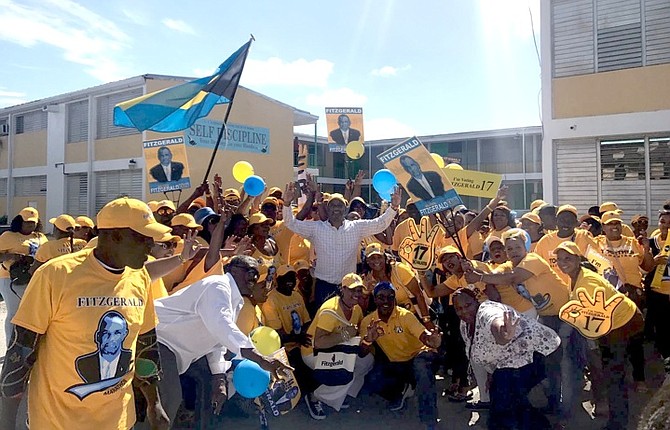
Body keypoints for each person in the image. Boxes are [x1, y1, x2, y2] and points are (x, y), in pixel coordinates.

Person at [0, 197, 183, 430]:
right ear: (115, 236)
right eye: (143, 238)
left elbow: (146, 342)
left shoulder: (140, 278)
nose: (151, 245)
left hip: (118, 422)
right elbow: (21, 350)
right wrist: (6, 424)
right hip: (57, 422)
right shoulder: (55, 275)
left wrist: (154, 404)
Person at [143, 256, 292, 429]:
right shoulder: (218, 286)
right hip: (160, 341)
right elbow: (222, 326)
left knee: (209, 382)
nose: (254, 278)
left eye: (256, 275)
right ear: (233, 270)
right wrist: (260, 359)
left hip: (179, 352)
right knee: (170, 398)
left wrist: (219, 378)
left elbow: (217, 342)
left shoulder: (235, 302)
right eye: (251, 272)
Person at [554, 241, 642, 430]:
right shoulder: (577, 275)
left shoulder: (587, 282)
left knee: (613, 375)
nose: (562, 263)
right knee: (611, 371)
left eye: (568, 258)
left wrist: (593, 343)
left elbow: (597, 322)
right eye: (559, 259)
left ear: (578, 259)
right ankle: (618, 416)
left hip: (623, 323)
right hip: (615, 323)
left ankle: (618, 423)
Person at [453, 288, 559, 430]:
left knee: (505, 404)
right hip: (509, 362)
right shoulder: (465, 325)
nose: (464, 311)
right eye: (459, 308)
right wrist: (491, 373)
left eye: (468, 305)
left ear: (476, 301)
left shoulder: (486, 311)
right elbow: (488, 351)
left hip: (536, 354)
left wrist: (503, 333)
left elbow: (495, 322)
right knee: (509, 403)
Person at [282, 182, 400, 309]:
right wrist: (287, 204)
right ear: (327, 208)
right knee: (325, 322)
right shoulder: (316, 228)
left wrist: (393, 207)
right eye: (332, 205)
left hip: (349, 287)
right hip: (324, 287)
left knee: (349, 323)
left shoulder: (356, 227)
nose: (336, 208)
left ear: (345, 209)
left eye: (340, 205)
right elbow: (290, 223)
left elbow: (380, 223)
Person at [360, 282, 442, 430]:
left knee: (422, 370)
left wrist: (432, 340)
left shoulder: (405, 315)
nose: (385, 301)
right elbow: (361, 352)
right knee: (372, 381)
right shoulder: (368, 322)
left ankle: (429, 420)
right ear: (375, 300)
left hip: (418, 357)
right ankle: (400, 391)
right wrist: (368, 340)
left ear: (395, 299)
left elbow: (424, 336)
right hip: (395, 363)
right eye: (381, 297)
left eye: (390, 297)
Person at [300, 273, 373, 419]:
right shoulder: (330, 311)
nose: (356, 294)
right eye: (352, 290)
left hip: (336, 348)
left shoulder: (356, 308)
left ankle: (340, 393)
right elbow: (319, 343)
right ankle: (315, 397)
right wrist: (345, 335)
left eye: (359, 290)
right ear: (342, 289)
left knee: (367, 361)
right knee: (347, 367)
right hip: (313, 353)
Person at [0, 206, 48, 344]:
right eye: (27, 222)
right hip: (10, 278)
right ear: (19, 221)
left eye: (33, 222)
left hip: (33, 277)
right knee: (14, 312)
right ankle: (11, 343)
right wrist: (12, 256)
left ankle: (25, 344)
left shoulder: (41, 237)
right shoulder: (8, 236)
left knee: (31, 313)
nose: (30, 225)